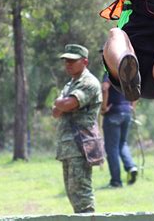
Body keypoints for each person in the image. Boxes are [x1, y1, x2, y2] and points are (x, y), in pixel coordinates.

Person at [52, 44, 102, 213]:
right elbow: (56, 112)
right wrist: (62, 104)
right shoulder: (70, 85)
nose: (68, 64)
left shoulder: (89, 83)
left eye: (72, 61)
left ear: (85, 61)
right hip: (69, 146)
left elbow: (68, 103)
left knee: (82, 194)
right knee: (73, 193)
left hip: (81, 145)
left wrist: (62, 103)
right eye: (66, 61)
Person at [100, 72, 138, 188]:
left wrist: (103, 107)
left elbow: (105, 88)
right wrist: (131, 106)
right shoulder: (126, 72)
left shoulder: (109, 72)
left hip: (112, 114)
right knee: (122, 143)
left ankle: (116, 181)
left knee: (112, 148)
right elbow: (137, 90)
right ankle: (131, 166)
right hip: (126, 112)